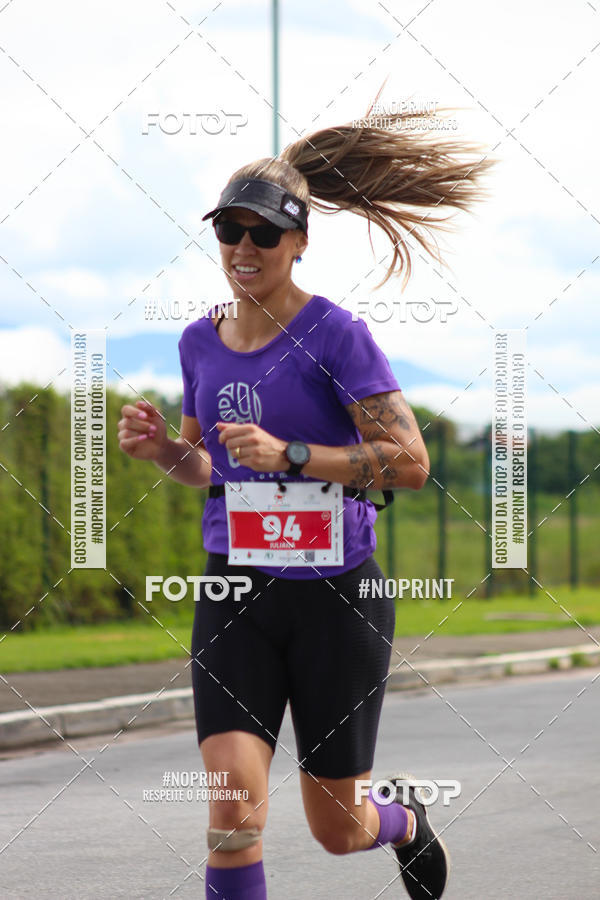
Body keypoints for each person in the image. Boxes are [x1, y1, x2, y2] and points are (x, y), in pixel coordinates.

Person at [118, 104, 492, 899]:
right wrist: (165, 452)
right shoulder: (198, 341)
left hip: (337, 598)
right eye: (229, 232)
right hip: (237, 591)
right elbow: (205, 466)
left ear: (298, 243)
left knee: (337, 828)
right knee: (232, 817)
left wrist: (292, 455)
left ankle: (402, 820)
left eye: (263, 233)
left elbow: (410, 464)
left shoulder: (337, 336)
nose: (243, 249)